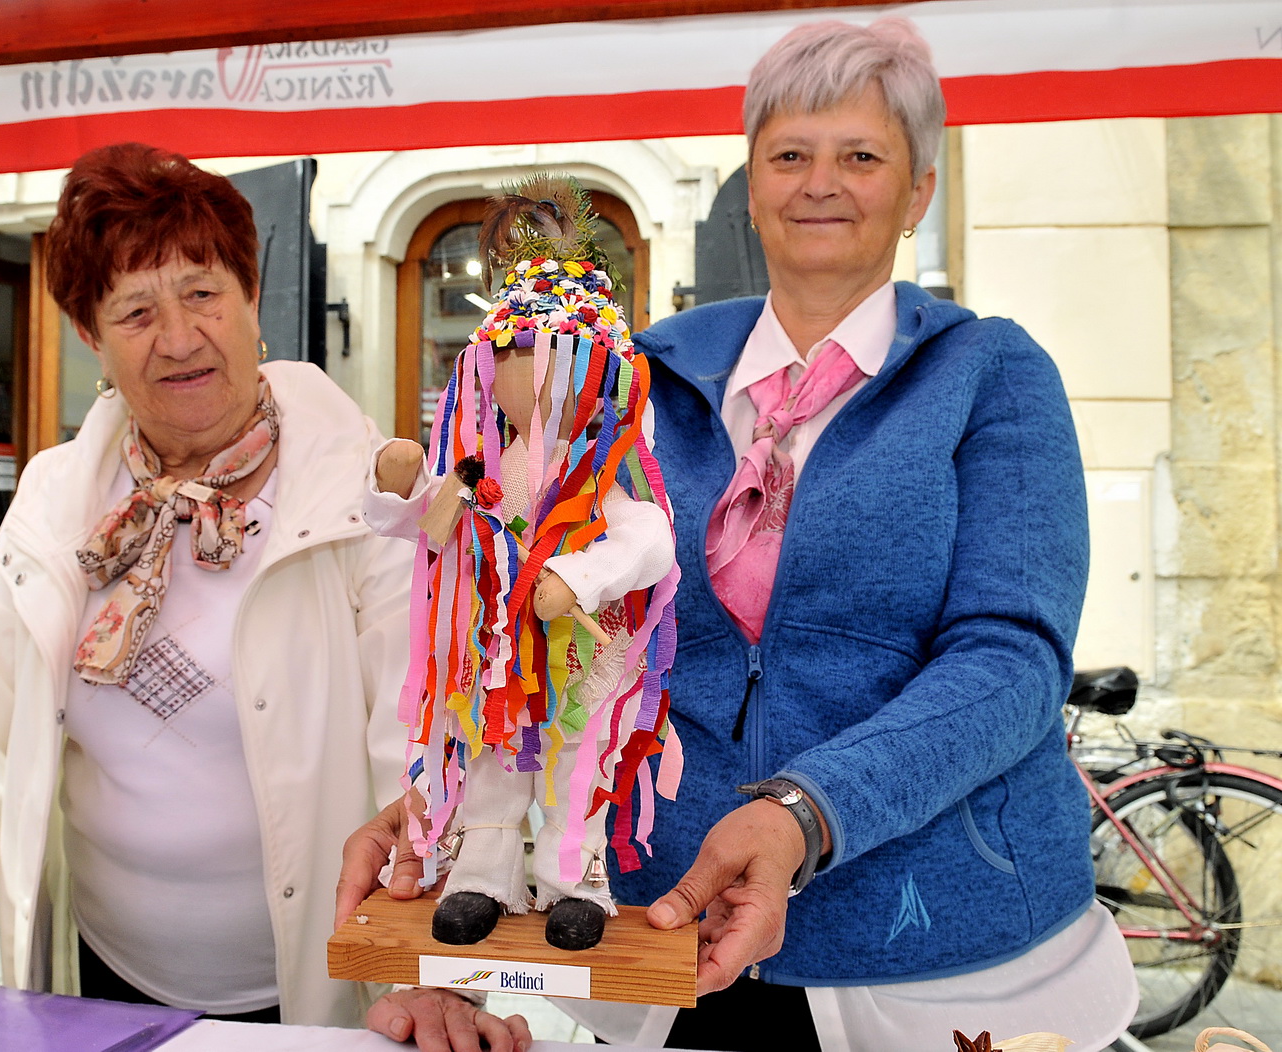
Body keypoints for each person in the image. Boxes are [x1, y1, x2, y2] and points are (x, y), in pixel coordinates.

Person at [340, 18, 1136, 1050]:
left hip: (928, 945)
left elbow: (1011, 657)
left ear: (918, 190)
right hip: (658, 931)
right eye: (790, 154)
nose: (821, 182)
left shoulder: (990, 372)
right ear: (750, 180)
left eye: (861, 155)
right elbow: (513, 590)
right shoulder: (636, 374)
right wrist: (438, 807)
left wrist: (804, 810)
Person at [0, 143, 528, 1052]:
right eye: (135, 310)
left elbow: (429, 747)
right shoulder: (56, 502)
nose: (178, 336)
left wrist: (440, 969)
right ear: (91, 335)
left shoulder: (373, 495)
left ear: (252, 298)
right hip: (99, 985)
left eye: (203, 292)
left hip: (329, 993)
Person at [366, 178, 679, 952]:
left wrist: (580, 576)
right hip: (491, 652)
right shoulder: (478, 462)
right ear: (488, 365)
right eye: (518, 354)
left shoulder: (610, 472)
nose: (536, 372)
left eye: (561, 355)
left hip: (582, 653)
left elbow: (650, 541)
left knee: (581, 761)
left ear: (603, 370)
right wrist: (395, 481)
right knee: (488, 756)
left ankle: (577, 882)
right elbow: (433, 525)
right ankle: (484, 876)